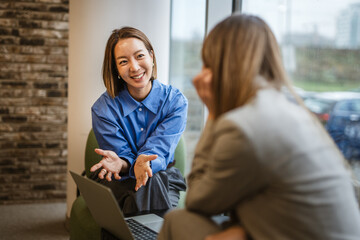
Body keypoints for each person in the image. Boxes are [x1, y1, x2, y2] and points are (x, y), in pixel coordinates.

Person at [157, 14, 360, 240]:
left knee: (177, 220)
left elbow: (196, 199)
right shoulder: (293, 113)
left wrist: (213, 112)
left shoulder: (242, 128)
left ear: (217, 65)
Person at [89, 27, 187, 215]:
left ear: (151, 56)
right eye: (123, 61)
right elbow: (120, 157)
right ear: (116, 68)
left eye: (140, 56)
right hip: (119, 177)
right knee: (147, 188)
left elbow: (160, 148)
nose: (134, 67)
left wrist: (145, 162)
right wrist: (126, 163)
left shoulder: (175, 102)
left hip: (163, 175)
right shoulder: (103, 109)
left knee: (150, 182)